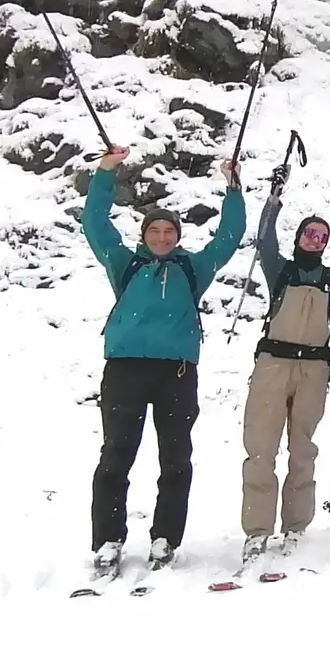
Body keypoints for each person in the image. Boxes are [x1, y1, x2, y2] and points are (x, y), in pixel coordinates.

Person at [81, 146, 246, 575]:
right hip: (124, 370)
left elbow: (229, 237)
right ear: (144, 234)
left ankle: (165, 538)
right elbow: (96, 224)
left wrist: (233, 186)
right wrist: (106, 173)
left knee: (175, 457)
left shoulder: (194, 268)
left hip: (175, 373)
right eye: (154, 231)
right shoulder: (125, 263)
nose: (161, 238)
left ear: (176, 236)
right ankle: (108, 539)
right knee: (116, 455)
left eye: (167, 232)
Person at [236, 190, 330, 571]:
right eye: (310, 233)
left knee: (303, 450)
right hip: (273, 362)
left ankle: (296, 526)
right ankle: (257, 529)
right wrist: (273, 201)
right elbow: (264, 237)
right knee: (260, 447)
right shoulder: (280, 269)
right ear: (299, 236)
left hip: (314, 369)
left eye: (322, 236)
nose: (315, 240)